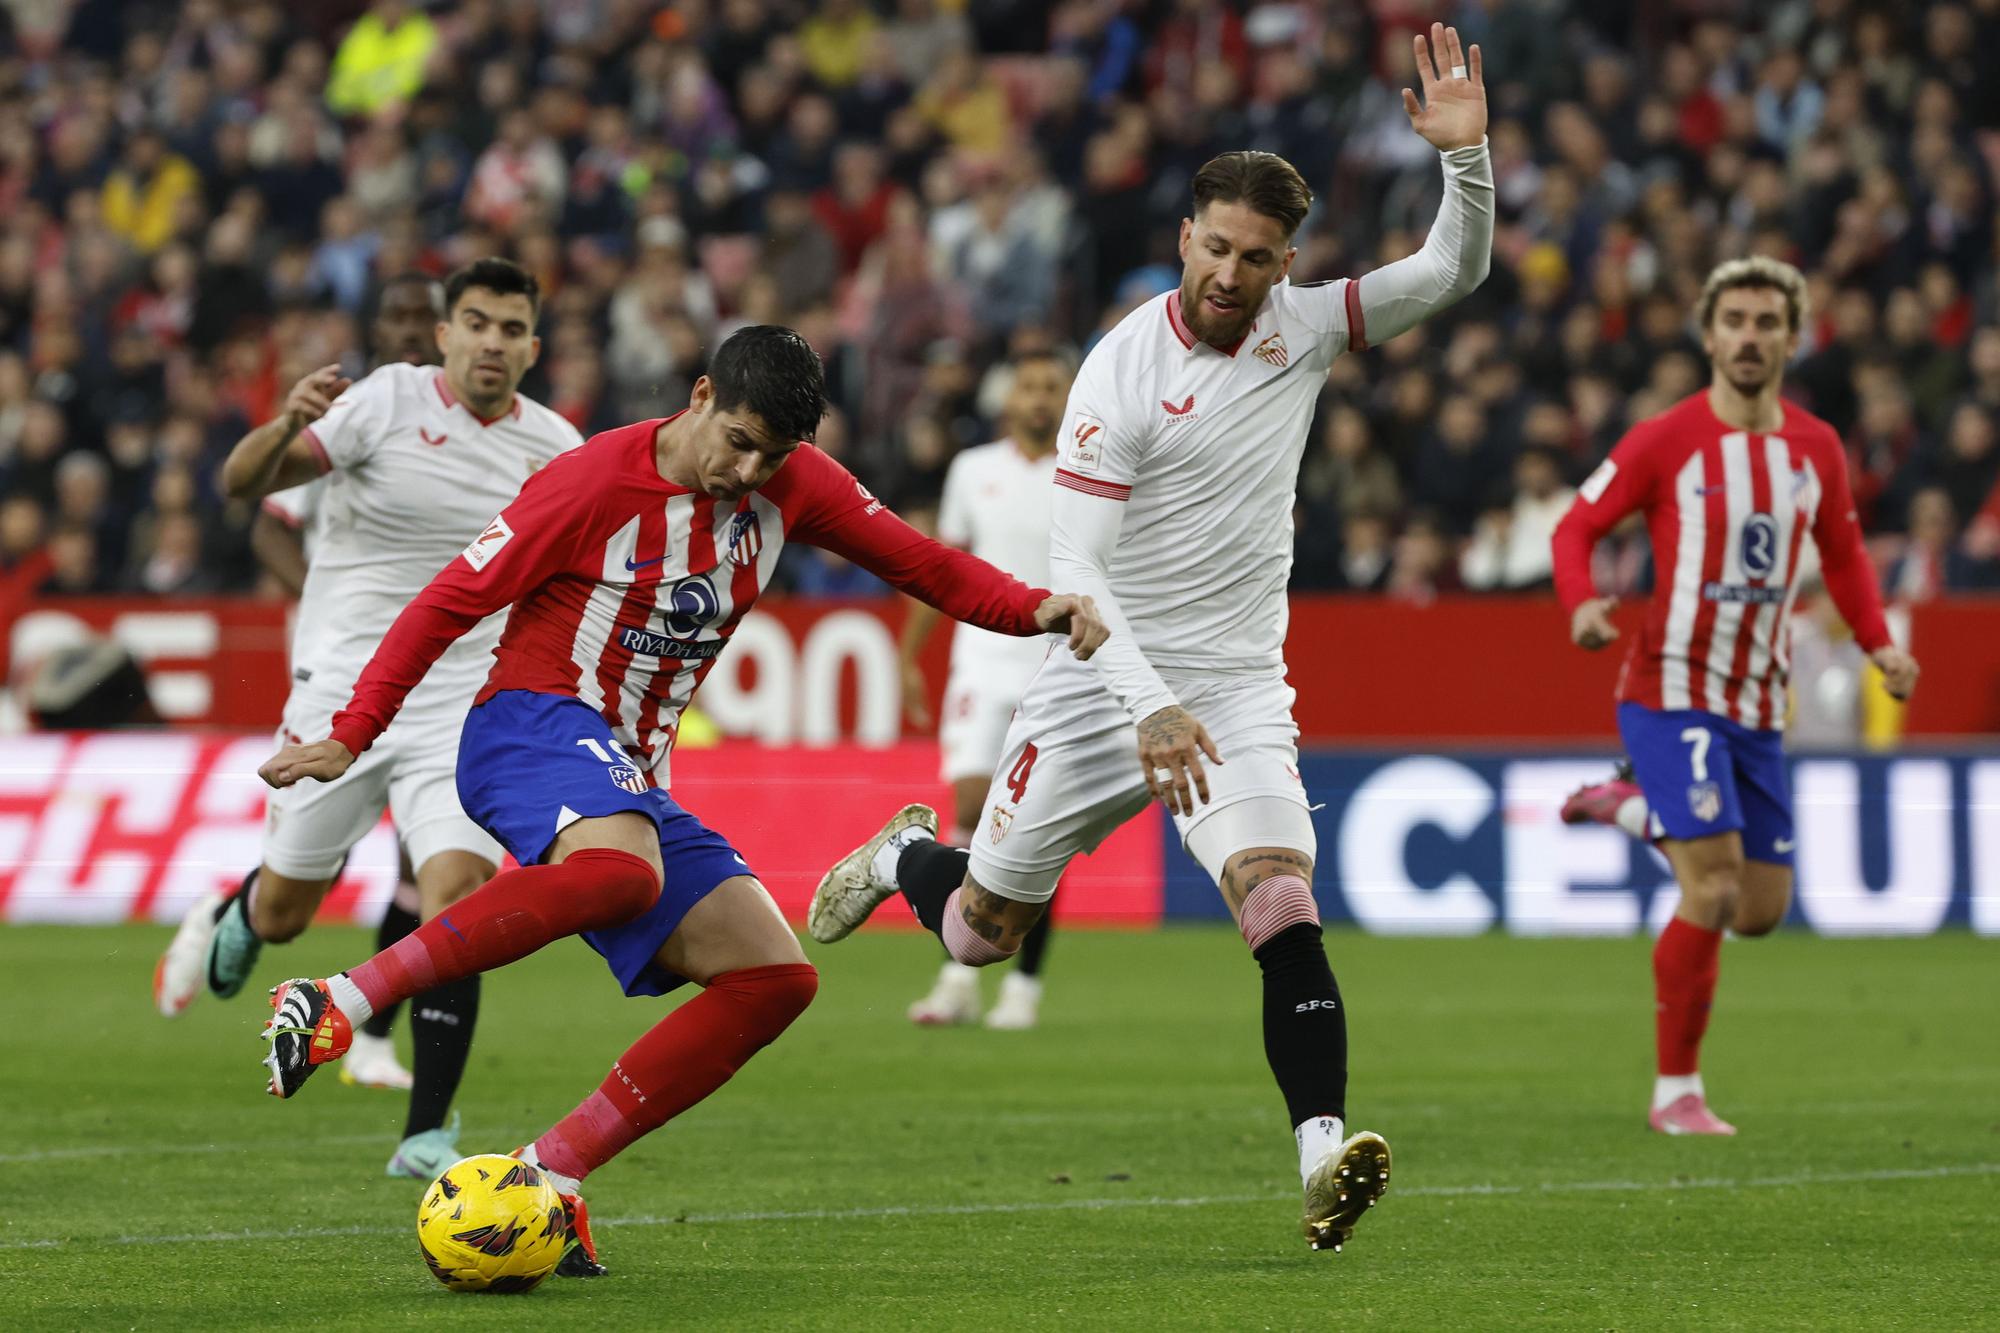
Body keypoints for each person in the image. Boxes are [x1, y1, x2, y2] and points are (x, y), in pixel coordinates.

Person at [808, 22, 1493, 1254]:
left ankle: (1321, 1154)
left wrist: (1467, 160)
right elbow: (1075, 575)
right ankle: (909, 853)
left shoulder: (1311, 326)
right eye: (1216, 248)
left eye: (1258, 258)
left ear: (1287, 261)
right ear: (1184, 237)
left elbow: (1446, 271)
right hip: (1093, 686)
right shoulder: (1118, 375)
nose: (1233, 276)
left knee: (1277, 896)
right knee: (976, 928)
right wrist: (1140, 704)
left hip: (1231, 682)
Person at [252, 325, 1106, 1278]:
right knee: (620, 871)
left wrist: (1035, 607)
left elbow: (923, 563)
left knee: (773, 980)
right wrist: (353, 729)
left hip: (625, 773)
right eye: (737, 441)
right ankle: (335, 999)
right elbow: (450, 599)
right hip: (526, 725)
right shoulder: (588, 482)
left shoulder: (796, 481)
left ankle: (553, 1175)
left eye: (773, 455)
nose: (748, 470)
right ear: (699, 395)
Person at [152, 258, 584, 1178]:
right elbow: (239, 487)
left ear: (533, 347)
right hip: (340, 694)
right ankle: (243, 910)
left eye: (512, 330)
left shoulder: (556, 448)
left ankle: (427, 1131)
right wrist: (285, 423)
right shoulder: (383, 402)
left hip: (459, 711)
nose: (493, 344)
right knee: (287, 909)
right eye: (477, 323)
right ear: (445, 334)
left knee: (458, 898)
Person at [1551, 256, 1920, 1136]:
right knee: (1711, 888)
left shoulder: (1816, 447)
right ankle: (1676, 1091)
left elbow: (1844, 557)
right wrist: (1580, 606)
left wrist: (1879, 644)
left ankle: (1629, 807)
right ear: (1709, 336)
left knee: (1760, 910)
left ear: (1793, 339)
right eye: (1736, 321)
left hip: (1760, 704)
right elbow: (1578, 525)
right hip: (1668, 691)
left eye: (1767, 322)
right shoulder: (1664, 439)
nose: (1750, 337)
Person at [232, 271, 450, 1095]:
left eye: (418, 316)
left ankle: (376, 1042)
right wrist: (329, 605)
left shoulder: (500, 430)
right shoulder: (356, 410)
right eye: (392, 313)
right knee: (289, 905)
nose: (405, 327)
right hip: (344, 667)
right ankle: (233, 918)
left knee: (439, 875)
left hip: (445, 682)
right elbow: (267, 520)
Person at [899, 348, 1070, 1030]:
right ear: (1009, 399)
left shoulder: (1084, 473)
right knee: (972, 804)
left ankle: (1022, 985)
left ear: (1068, 398)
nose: (1038, 398)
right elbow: (942, 569)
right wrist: (910, 654)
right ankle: (959, 974)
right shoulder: (972, 471)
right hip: (981, 659)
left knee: (1033, 824)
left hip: (1056, 664)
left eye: (1051, 387)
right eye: (1028, 386)